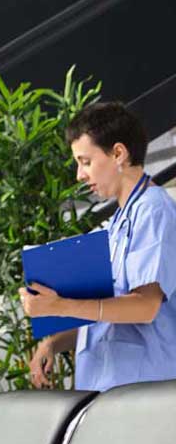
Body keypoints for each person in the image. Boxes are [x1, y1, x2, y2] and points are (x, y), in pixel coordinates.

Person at [24, 101, 176, 391]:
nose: (79, 175)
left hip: (146, 389)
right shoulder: (119, 222)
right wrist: (54, 343)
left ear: (118, 153)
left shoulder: (154, 211)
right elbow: (107, 318)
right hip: (109, 389)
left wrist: (61, 305)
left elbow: (145, 307)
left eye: (85, 161)